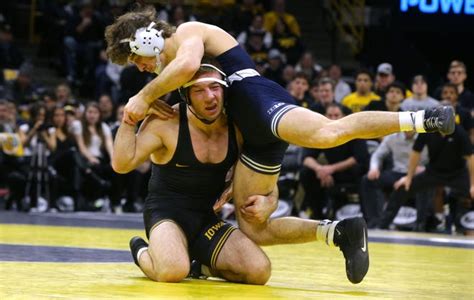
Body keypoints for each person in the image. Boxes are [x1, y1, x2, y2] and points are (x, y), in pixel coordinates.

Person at [105, 6, 455, 284]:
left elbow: (187, 65)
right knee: (254, 223)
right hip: (251, 132)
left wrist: (143, 95)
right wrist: (266, 195)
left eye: (138, 60)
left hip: (256, 100)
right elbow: (175, 88)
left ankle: (425, 120)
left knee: (327, 133)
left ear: (146, 39)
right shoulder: (180, 105)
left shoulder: (188, 33)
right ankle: (338, 233)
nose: (143, 68)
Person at [112, 62, 272, 284]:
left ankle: (201, 267)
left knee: (258, 271)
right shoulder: (166, 122)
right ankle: (141, 251)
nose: (210, 97)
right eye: (199, 90)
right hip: (166, 215)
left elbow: (266, 176)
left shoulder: (237, 127)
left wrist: (268, 202)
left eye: (215, 87)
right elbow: (122, 164)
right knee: (172, 271)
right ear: (186, 95)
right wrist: (130, 118)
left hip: (206, 219)